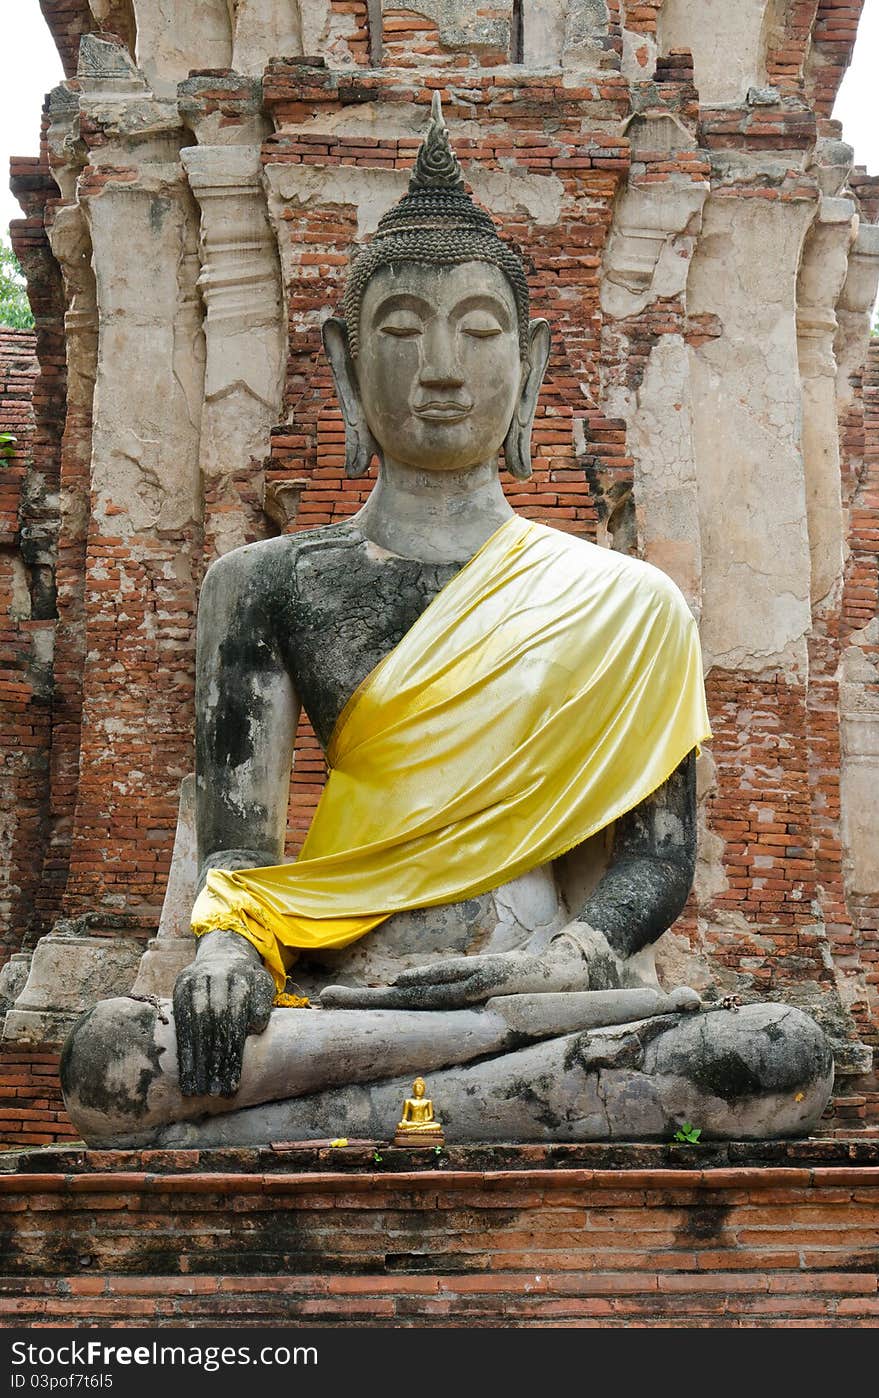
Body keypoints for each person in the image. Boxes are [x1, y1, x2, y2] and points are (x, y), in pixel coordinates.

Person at [60, 98, 832, 1147]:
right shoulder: (265, 579)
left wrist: (552, 964)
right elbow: (237, 853)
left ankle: (298, 1125)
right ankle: (441, 1094)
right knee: (106, 1058)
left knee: (771, 1057)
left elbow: (655, 861)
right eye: (399, 331)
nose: (438, 367)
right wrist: (230, 956)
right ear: (341, 363)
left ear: (532, 363)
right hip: (341, 987)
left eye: (477, 332)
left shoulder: (627, 599)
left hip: (534, 992)